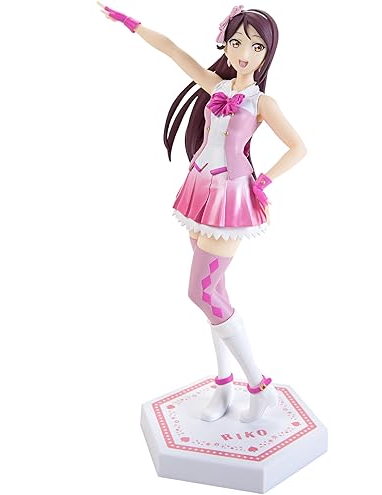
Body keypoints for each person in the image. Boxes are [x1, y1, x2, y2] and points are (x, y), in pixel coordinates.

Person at [98, 3, 307, 422]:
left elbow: (298, 148)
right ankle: (225, 383)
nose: (244, 53)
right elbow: (173, 51)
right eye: (236, 42)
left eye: (255, 46)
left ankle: (259, 385)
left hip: (229, 197)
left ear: (267, 53)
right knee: (216, 294)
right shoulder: (216, 85)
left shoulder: (263, 102)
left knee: (203, 292)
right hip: (198, 188)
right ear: (225, 45)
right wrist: (130, 24)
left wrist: (263, 182)